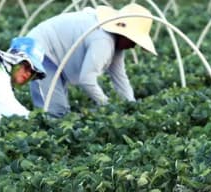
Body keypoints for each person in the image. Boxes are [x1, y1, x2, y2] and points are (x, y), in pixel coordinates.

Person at [25, 4, 157, 117]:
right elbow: (86, 80)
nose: (134, 46)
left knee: (59, 109)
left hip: (54, 53)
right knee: (54, 112)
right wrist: (107, 105)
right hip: (39, 49)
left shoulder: (116, 44)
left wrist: (131, 105)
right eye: (133, 40)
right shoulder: (103, 41)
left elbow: (120, 77)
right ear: (123, 34)